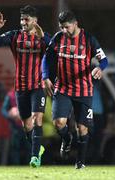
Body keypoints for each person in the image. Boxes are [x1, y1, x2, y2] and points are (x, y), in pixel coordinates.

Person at [42, 11, 108, 169]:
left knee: (82, 127)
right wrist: (45, 77)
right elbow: (46, 57)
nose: (64, 30)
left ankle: (80, 162)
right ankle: (66, 138)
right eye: (61, 27)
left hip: (84, 90)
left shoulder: (89, 39)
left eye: (66, 27)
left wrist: (100, 68)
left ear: (75, 23)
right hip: (63, 88)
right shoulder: (58, 38)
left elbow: (104, 60)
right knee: (59, 123)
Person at [0, 5, 50, 167]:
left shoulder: (43, 37)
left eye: (26, 19)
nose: (22, 22)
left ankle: (35, 156)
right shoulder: (15, 36)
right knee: (26, 125)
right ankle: (38, 148)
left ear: (35, 21)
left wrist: (44, 38)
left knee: (37, 119)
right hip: (21, 87)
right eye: (21, 19)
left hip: (37, 86)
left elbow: (55, 49)